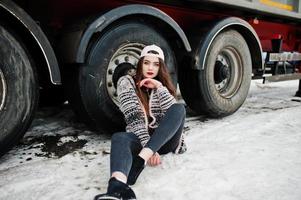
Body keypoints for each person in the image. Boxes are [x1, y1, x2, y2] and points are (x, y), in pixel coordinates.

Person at [94, 44, 187, 200]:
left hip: (165, 140)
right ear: (140, 64)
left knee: (178, 109)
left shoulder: (161, 85)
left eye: (156, 64)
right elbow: (134, 119)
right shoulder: (126, 82)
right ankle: (117, 186)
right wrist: (148, 147)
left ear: (160, 67)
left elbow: (173, 116)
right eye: (146, 62)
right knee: (120, 137)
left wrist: (159, 87)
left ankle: (140, 160)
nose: (150, 68)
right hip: (142, 139)